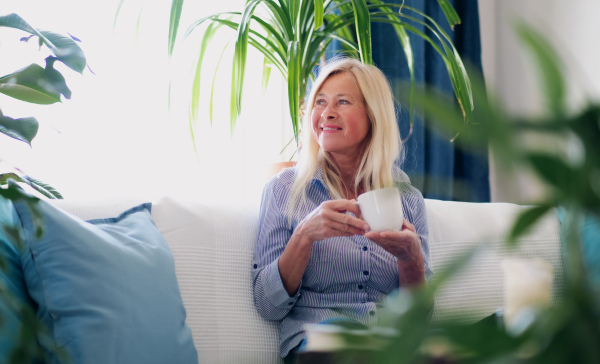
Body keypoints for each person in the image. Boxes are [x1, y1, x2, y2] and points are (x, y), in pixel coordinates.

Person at [252, 57, 432, 361]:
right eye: (320, 102)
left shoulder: (408, 199)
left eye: (343, 102)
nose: (327, 113)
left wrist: (411, 257)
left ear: (373, 116)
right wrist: (303, 236)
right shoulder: (284, 190)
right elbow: (268, 305)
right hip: (322, 343)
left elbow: (419, 317)